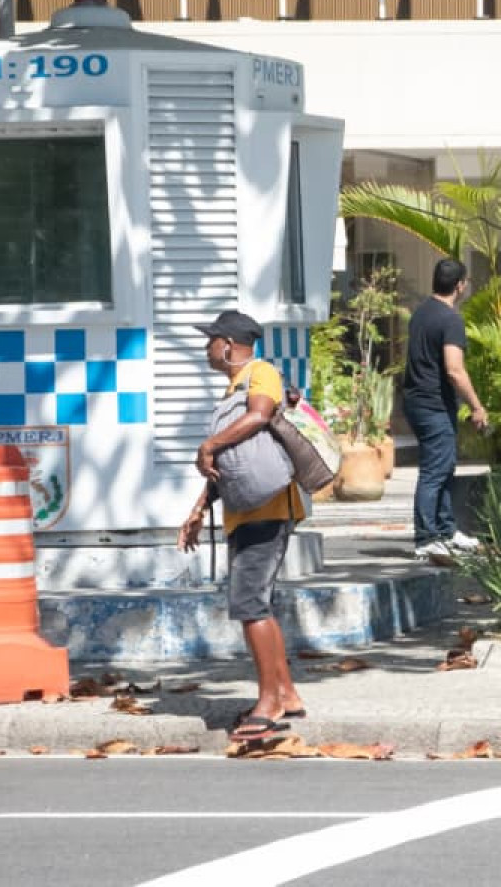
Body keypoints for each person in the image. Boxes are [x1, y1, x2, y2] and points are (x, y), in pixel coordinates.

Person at [177, 309, 307, 743]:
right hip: (246, 509)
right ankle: (286, 693)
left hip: (267, 510)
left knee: (250, 605)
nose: (206, 348)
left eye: (211, 340)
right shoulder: (233, 387)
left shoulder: (260, 372)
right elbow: (230, 464)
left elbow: (259, 415)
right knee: (257, 603)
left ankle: (267, 704)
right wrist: (199, 508)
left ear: (228, 344)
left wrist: (208, 444)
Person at [403, 258, 488, 562]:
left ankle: (446, 530)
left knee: (444, 465)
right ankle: (427, 537)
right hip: (432, 403)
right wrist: (476, 406)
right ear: (460, 285)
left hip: (418, 400)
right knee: (434, 471)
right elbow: (454, 369)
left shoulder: (421, 313)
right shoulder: (450, 320)